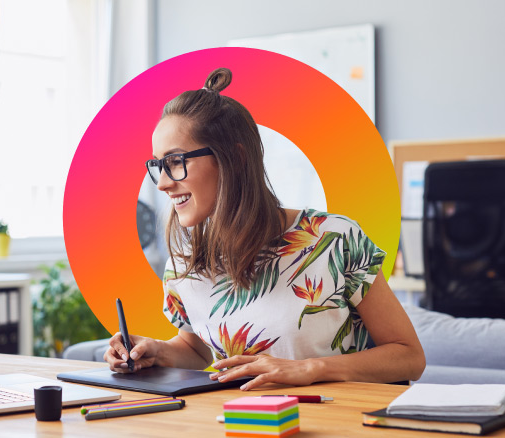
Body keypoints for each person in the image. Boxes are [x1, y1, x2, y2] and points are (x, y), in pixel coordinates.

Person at [104, 67, 425, 390]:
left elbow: (409, 356)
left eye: (175, 162)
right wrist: (158, 351)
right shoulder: (183, 265)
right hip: (243, 421)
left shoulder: (334, 240)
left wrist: (311, 368)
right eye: (158, 165)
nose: (161, 183)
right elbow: (197, 349)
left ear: (235, 158)